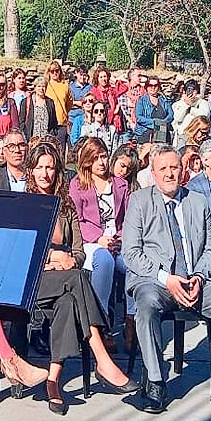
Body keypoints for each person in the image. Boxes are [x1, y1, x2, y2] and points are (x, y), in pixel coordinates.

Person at [122, 144, 211, 416]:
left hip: (196, 280)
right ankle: (156, 383)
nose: (170, 174)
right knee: (145, 305)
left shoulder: (197, 201)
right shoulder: (140, 200)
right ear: (153, 173)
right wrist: (166, 279)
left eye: (175, 168)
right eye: (163, 169)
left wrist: (198, 277)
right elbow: (131, 253)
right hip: (156, 281)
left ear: (183, 171)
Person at [26, 142, 140, 414]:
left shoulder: (66, 207)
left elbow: (78, 253)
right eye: (39, 167)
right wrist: (54, 260)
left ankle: (53, 382)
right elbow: (25, 254)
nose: (45, 173)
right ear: (31, 171)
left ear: (57, 172)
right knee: (77, 279)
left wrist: (67, 261)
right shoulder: (27, 205)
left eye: (50, 167)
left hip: (64, 280)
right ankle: (103, 360)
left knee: (69, 300)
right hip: (34, 284)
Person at [69, 137, 134, 347]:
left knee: (135, 263)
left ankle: (132, 319)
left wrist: (121, 239)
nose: (101, 162)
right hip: (91, 241)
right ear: (87, 161)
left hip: (118, 241)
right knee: (104, 260)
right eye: (96, 158)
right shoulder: (78, 185)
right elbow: (77, 221)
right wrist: (99, 239)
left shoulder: (120, 184)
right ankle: (100, 322)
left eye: (104, 156)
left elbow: (128, 218)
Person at [134, 76, 173, 144]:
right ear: (146, 86)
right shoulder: (141, 100)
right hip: (145, 134)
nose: (153, 87)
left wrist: (163, 123)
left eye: (155, 85)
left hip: (163, 132)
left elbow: (170, 115)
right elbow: (139, 118)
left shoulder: (164, 100)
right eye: (150, 85)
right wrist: (156, 124)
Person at [172, 79, 210, 147]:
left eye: (194, 90)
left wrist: (191, 109)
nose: (192, 93)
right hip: (182, 136)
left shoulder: (203, 103)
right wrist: (186, 105)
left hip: (198, 136)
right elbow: (177, 118)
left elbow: (204, 117)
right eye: (189, 90)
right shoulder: (178, 104)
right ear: (185, 91)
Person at [44, 61, 73, 150]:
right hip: (49, 124)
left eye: (57, 70)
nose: (55, 73)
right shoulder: (46, 85)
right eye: (52, 71)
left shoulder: (65, 85)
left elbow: (69, 103)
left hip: (61, 123)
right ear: (48, 72)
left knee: (61, 151)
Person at [20, 76, 59, 141]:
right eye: (39, 86)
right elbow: (21, 121)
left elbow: (54, 122)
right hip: (31, 139)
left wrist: (52, 135)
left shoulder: (50, 102)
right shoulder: (26, 102)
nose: (41, 88)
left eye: (43, 86)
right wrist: (25, 135)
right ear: (35, 88)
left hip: (46, 140)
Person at [117, 69, 146, 141]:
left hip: (140, 125)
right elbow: (124, 108)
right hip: (128, 127)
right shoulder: (124, 89)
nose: (140, 78)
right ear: (132, 76)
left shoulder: (142, 91)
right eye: (138, 75)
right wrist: (131, 122)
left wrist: (133, 104)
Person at [69, 65, 93, 130]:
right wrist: (78, 103)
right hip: (72, 118)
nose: (82, 77)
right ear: (76, 73)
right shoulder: (70, 87)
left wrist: (77, 103)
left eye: (84, 75)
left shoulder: (90, 88)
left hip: (86, 119)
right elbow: (69, 103)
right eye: (81, 74)